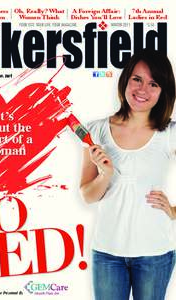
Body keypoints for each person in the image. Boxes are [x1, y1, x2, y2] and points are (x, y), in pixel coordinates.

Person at [80, 49, 176, 300]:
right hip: (107, 253)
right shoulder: (96, 130)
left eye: (153, 83)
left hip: (154, 254)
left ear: (163, 91)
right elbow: (88, 196)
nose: (143, 89)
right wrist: (105, 174)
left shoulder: (170, 133)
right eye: (137, 79)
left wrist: (174, 210)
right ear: (125, 80)